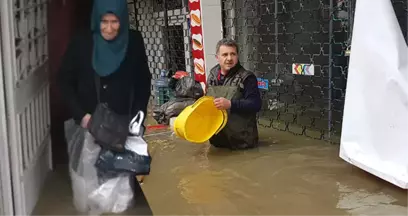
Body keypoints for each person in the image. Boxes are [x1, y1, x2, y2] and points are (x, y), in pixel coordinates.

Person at [58, 0, 151, 129]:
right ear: (97, 19)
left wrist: (137, 116)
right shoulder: (81, 43)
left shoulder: (133, 42)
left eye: (114, 22)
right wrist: (81, 115)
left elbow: (143, 82)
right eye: (104, 22)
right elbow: (64, 81)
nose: (109, 29)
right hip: (88, 126)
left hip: (124, 125)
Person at [206, 38, 262, 150]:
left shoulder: (247, 78)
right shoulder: (212, 75)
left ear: (237, 56)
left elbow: (256, 104)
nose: (229, 58)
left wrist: (230, 104)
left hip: (242, 143)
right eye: (225, 54)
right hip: (217, 141)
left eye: (233, 54)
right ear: (217, 57)